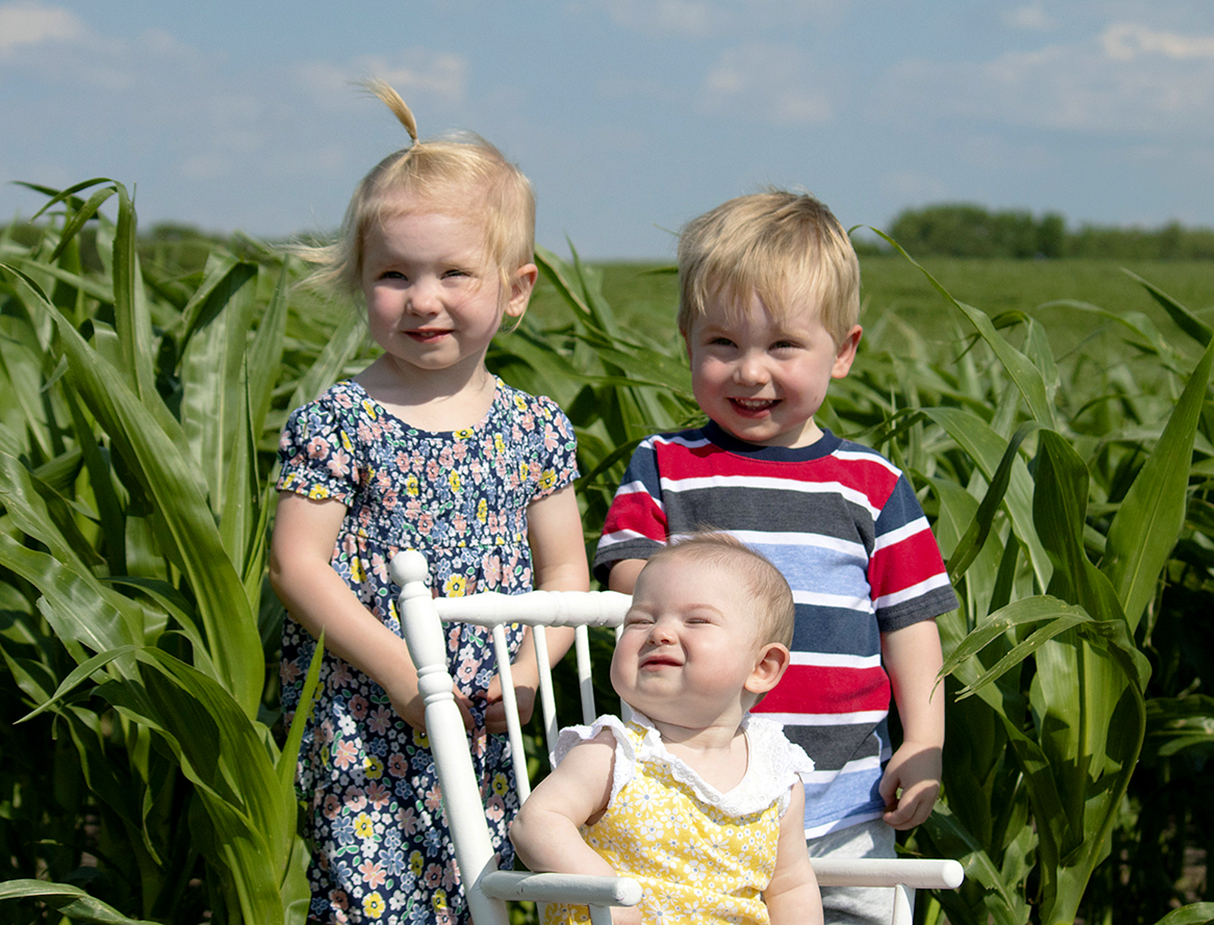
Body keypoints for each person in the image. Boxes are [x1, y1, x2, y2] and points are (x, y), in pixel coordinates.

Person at [268, 80, 588, 925]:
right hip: (367, 712)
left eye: (454, 272)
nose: (423, 299)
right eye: (394, 275)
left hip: (487, 717)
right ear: (358, 283)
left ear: (515, 290)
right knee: (370, 900)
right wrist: (408, 678)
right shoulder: (339, 421)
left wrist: (526, 675)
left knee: (476, 894)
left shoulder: (536, 428)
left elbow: (565, 573)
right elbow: (297, 564)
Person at [592, 190, 960, 925]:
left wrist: (924, 741)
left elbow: (911, 627)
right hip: (699, 799)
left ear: (844, 350)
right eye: (723, 344)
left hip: (848, 807)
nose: (750, 372)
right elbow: (635, 589)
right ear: (688, 341)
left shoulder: (872, 486)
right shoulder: (665, 465)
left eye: (783, 346)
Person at [511, 534, 823, 925]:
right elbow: (536, 823)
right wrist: (607, 893)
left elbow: (791, 885)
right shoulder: (615, 753)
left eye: (696, 620)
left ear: (762, 668)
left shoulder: (775, 777)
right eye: (640, 620)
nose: (660, 633)